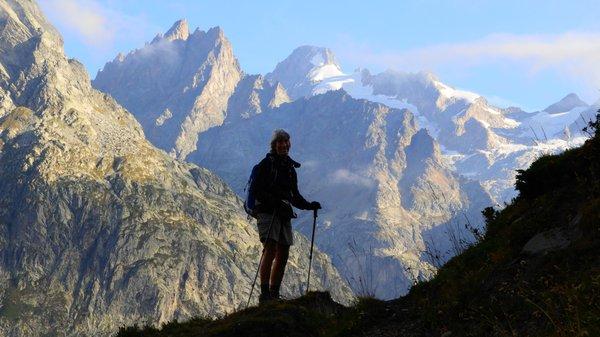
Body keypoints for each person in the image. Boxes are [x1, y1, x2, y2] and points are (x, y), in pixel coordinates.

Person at [252, 129, 321, 303]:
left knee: (284, 250)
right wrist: (275, 201)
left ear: (289, 145)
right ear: (274, 145)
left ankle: (274, 293)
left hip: (282, 213)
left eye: (286, 142)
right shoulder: (266, 164)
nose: (283, 145)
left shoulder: (290, 168)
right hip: (267, 212)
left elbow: (294, 196)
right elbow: (258, 191)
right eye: (280, 142)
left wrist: (309, 205)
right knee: (271, 248)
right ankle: (265, 294)